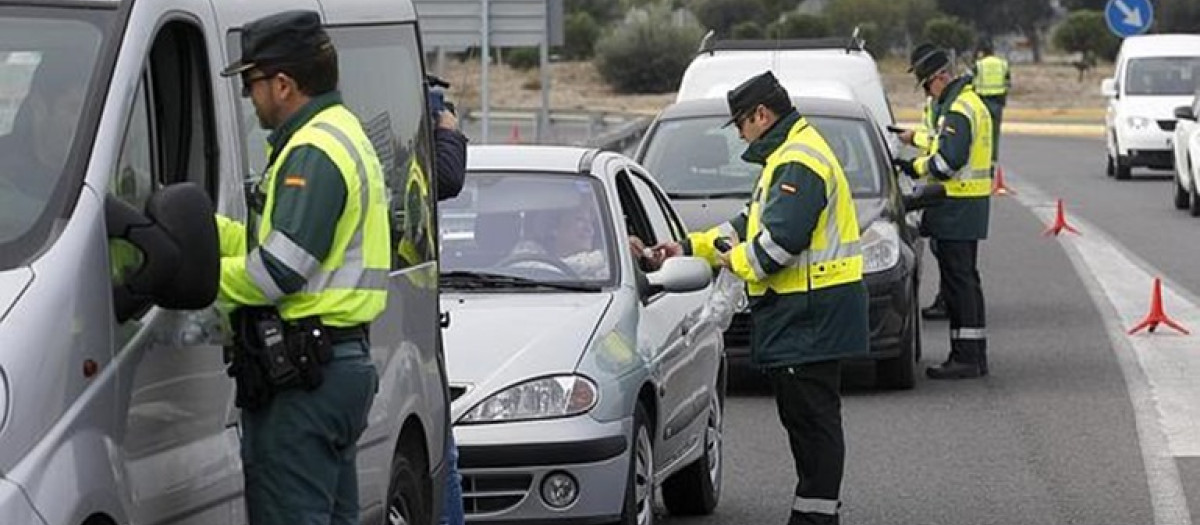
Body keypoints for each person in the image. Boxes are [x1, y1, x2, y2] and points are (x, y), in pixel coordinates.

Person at [654, 71, 868, 525]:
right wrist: (689, 248)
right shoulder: (786, 156)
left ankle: (815, 515)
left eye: (740, 124)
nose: (739, 134)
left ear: (762, 115)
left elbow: (777, 246)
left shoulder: (797, 160)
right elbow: (747, 224)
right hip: (807, 312)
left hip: (810, 313)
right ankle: (814, 510)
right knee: (808, 420)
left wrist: (736, 263)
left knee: (813, 422)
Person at [213, 10, 390, 524]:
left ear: (284, 84)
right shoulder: (342, 133)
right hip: (336, 363)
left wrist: (204, 279)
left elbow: (278, 272)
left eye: (252, 83)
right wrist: (206, 233)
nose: (250, 97)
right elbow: (279, 241)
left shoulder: (313, 149)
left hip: (306, 376)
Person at [893, 44, 994, 380]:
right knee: (965, 282)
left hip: (957, 207)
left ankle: (966, 357)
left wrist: (913, 166)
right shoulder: (963, 103)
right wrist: (918, 140)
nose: (926, 92)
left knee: (959, 284)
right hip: (964, 208)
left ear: (939, 78)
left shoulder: (959, 109)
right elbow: (942, 142)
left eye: (925, 85)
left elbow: (946, 163)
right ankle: (972, 354)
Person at [972, 40, 1010, 161]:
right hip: (998, 102)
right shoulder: (1003, 64)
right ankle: (993, 158)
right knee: (995, 133)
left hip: (983, 102)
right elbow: (1008, 82)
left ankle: (983, 157)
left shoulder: (979, 65)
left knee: (982, 133)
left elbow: (971, 82)